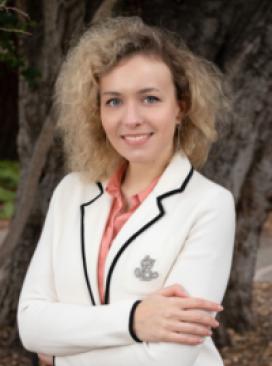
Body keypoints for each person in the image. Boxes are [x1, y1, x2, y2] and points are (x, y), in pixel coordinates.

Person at [17, 16, 235, 366]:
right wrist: (135, 320)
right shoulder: (71, 192)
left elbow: (170, 357)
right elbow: (30, 326)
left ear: (181, 107)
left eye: (149, 99)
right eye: (114, 101)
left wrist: (60, 356)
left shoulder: (209, 204)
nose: (130, 118)